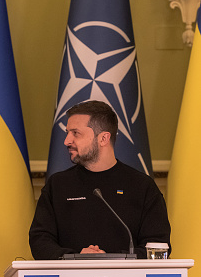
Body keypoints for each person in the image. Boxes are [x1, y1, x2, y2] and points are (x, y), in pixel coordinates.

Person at [29, 100, 170, 260]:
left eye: (75, 133)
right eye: (67, 133)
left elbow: (158, 245)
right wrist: (75, 257)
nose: (67, 141)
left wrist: (112, 259)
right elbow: (39, 240)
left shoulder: (142, 186)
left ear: (103, 138)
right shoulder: (57, 185)